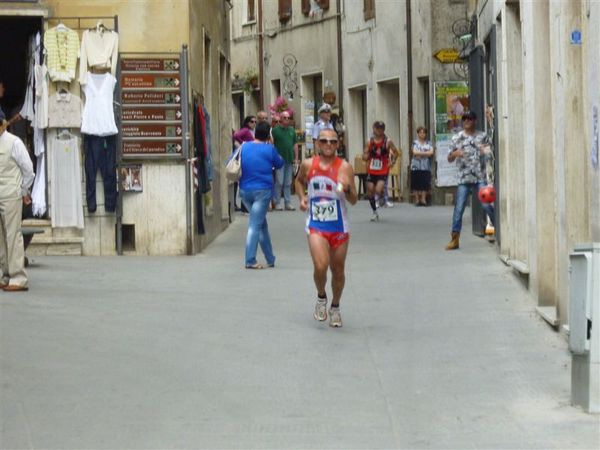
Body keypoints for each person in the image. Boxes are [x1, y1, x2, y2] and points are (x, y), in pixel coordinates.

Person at [295, 129, 358, 327]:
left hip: (339, 226)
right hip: (316, 224)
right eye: (324, 141)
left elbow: (354, 200)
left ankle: (335, 306)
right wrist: (302, 197)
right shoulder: (308, 164)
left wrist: (347, 188)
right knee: (321, 266)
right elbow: (298, 182)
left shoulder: (345, 167)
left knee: (338, 270)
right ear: (317, 143)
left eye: (332, 141)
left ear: (338, 144)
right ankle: (321, 296)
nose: (328, 144)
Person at [445, 111, 495, 250]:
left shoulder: (482, 136)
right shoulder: (457, 138)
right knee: (459, 208)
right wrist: (455, 153)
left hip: (480, 176)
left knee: (486, 204)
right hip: (464, 178)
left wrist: (485, 150)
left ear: (475, 120)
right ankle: (455, 238)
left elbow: (490, 151)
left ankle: (496, 228)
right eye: (464, 118)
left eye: (470, 118)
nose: (467, 121)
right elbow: (449, 158)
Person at [239, 121, 284, 269]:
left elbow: (231, 161)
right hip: (262, 191)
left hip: (245, 191)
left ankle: (270, 258)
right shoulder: (269, 149)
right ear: (268, 135)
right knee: (255, 225)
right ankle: (250, 259)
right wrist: (272, 144)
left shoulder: (244, 146)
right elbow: (279, 164)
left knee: (260, 224)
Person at [0, 108, 34, 291]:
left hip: (11, 195)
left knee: (13, 236)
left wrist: (23, 191)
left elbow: (28, 170)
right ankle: (5, 274)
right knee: (1, 238)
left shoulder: (14, 143)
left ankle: (18, 277)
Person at [362, 121, 399, 221]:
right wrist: (366, 156)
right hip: (371, 169)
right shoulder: (369, 141)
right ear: (373, 128)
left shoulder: (388, 141)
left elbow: (396, 152)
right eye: (377, 128)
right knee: (370, 191)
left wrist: (393, 162)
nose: (379, 130)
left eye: (381, 128)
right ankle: (374, 212)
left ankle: (382, 196)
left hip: (383, 169)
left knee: (378, 190)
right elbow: (364, 155)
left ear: (384, 130)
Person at [271, 111, 299, 211]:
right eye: (285, 118)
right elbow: (272, 145)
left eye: (288, 118)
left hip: (289, 159)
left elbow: (295, 144)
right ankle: (277, 202)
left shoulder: (292, 130)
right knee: (279, 181)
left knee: (288, 182)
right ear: (281, 119)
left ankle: (288, 203)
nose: (287, 119)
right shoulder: (275, 131)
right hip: (279, 161)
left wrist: (296, 158)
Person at [233, 116, 257, 212]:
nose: (254, 123)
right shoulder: (246, 130)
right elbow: (236, 136)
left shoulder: (252, 131)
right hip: (246, 157)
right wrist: (244, 144)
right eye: (252, 121)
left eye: (255, 122)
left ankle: (246, 206)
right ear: (247, 122)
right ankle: (245, 207)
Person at [410, 126, 434, 206]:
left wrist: (421, 153)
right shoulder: (415, 143)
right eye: (420, 132)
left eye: (424, 132)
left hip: (426, 165)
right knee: (416, 182)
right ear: (418, 133)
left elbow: (431, 152)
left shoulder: (429, 143)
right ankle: (417, 200)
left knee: (425, 182)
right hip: (415, 165)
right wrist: (425, 153)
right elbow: (414, 152)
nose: (422, 134)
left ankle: (423, 200)